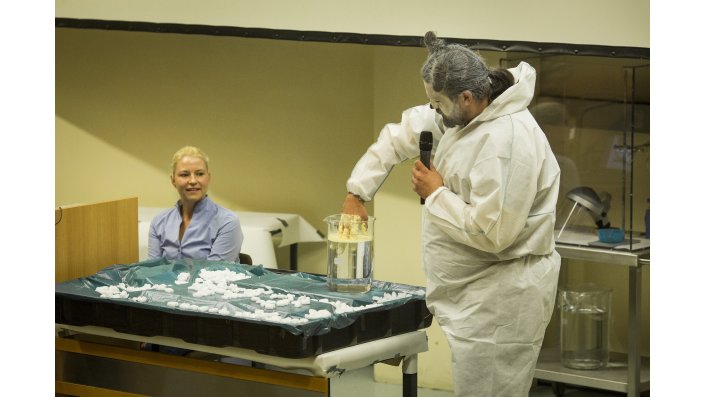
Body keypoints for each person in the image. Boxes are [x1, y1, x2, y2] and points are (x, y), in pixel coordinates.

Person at [342, 31, 561, 397]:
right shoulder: (464, 114)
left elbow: (494, 233)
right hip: (474, 293)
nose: (433, 111)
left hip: (501, 298)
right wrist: (356, 192)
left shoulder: (506, 141)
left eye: (438, 103)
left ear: (466, 96)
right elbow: (398, 137)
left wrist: (436, 192)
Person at [148, 145, 244, 262]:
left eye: (199, 174)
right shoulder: (159, 221)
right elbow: (151, 269)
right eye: (184, 174)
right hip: (163, 281)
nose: (193, 181)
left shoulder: (227, 222)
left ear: (208, 178)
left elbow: (214, 273)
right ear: (173, 180)